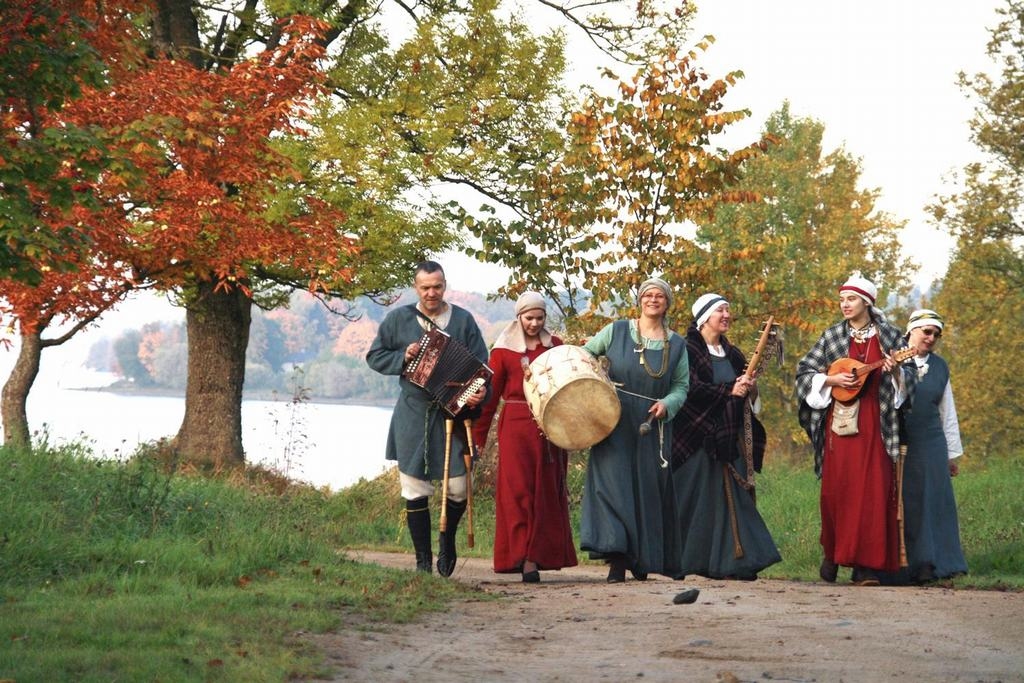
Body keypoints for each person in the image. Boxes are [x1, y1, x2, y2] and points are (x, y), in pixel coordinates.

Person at [366, 261, 489, 576]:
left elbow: (480, 368)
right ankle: (423, 562)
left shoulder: (462, 320)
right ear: (416, 287)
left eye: (437, 286)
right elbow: (375, 356)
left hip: (452, 413)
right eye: (425, 287)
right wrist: (402, 356)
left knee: (460, 488)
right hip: (413, 412)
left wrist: (478, 393)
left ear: (444, 285)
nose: (432, 292)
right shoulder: (398, 319)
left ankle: (447, 543)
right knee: (415, 487)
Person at [795, 273, 917, 586]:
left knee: (873, 492)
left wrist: (895, 371)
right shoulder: (833, 335)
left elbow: (910, 380)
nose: (844, 305)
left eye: (851, 299)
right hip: (840, 426)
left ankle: (865, 566)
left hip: (876, 425)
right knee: (837, 491)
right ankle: (833, 553)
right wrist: (830, 380)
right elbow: (805, 371)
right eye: (842, 300)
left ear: (867, 302)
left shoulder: (891, 336)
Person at [581, 277, 690, 583]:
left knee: (647, 490)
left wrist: (667, 404)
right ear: (640, 300)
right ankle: (617, 559)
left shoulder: (677, 344)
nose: (653, 300)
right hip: (613, 421)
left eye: (659, 296)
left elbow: (682, 386)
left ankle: (642, 559)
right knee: (613, 488)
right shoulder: (616, 331)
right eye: (648, 295)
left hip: (651, 424)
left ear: (667, 303)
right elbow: (584, 356)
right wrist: (598, 382)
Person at [671, 294, 781, 580]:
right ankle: (687, 561)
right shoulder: (685, 350)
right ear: (704, 316)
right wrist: (729, 391)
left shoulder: (733, 354)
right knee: (698, 500)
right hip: (696, 435)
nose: (726, 315)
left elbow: (746, 396)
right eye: (720, 310)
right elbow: (688, 389)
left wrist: (749, 388)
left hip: (728, 434)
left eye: (728, 310)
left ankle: (735, 562)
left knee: (731, 499)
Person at [471, 292, 578, 583]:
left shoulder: (555, 346)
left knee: (545, 490)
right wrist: (477, 439)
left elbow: (570, 386)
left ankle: (536, 557)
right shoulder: (503, 351)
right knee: (518, 491)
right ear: (519, 317)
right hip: (516, 426)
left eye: (539, 318)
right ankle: (518, 556)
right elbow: (489, 398)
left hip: (550, 426)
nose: (534, 323)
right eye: (529, 317)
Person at [897, 309, 968, 584]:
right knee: (907, 502)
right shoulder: (895, 360)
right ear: (911, 330)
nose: (931, 338)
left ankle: (939, 561)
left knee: (935, 501)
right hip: (901, 439)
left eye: (936, 334)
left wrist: (950, 455)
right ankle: (906, 565)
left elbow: (946, 411)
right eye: (927, 331)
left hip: (932, 441)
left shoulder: (940, 366)